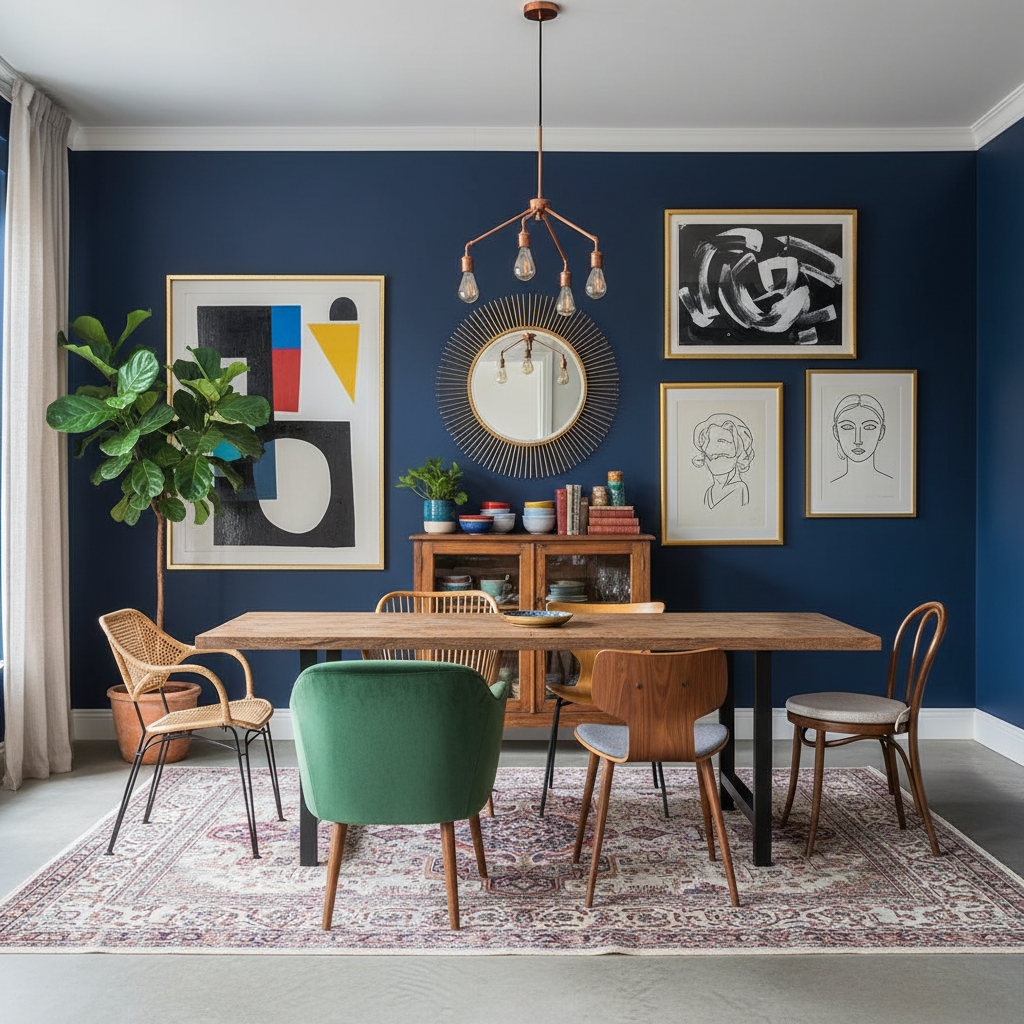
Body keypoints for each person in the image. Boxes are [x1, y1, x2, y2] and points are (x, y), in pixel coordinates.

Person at [829, 393, 893, 495]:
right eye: (847, 427)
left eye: (869, 427)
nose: (858, 440)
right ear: (836, 432)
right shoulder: (830, 489)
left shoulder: (892, 486)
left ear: (881, 432)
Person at [692, 413, 755, 509]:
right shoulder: (709, 492)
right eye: (710, 456)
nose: (712, 453)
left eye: (722, 442)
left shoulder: (739, 488)